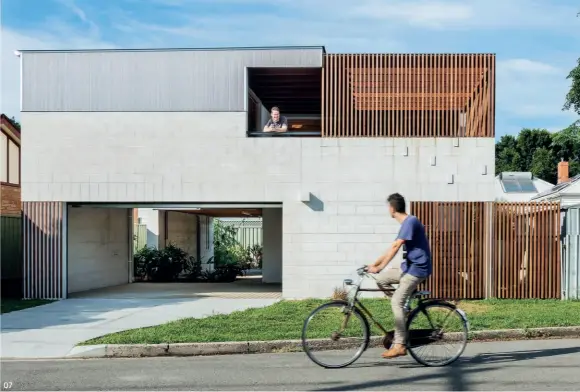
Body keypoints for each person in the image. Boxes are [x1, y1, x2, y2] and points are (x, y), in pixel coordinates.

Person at [367, 193, 432, 359]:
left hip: (417, 270)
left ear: (392, 208)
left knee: (396, 301)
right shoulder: (407, 223)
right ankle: (404, 309)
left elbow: (396, 246)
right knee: (381, 280)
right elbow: (392, 248)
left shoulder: (410, 222)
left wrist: (380, 266)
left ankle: (399, 345)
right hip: (408, 268)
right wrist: (375, 265)